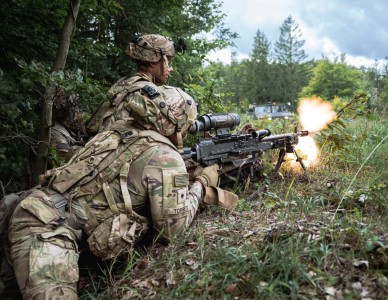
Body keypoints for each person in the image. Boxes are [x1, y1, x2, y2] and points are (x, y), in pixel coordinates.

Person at [3, 66, 238, 299]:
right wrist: (200, 183)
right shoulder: (165, 157)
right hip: (46, 231)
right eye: (189, 124)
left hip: (25, 207)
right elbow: (172, 232)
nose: (189, 130)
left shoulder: (117, 130)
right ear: (176, 122)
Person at [86, 33, 186, 136]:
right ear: (152, 61)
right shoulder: (146, 90)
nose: (171, 68)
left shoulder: (125, 82)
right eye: (168, 62)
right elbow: (171, 132)